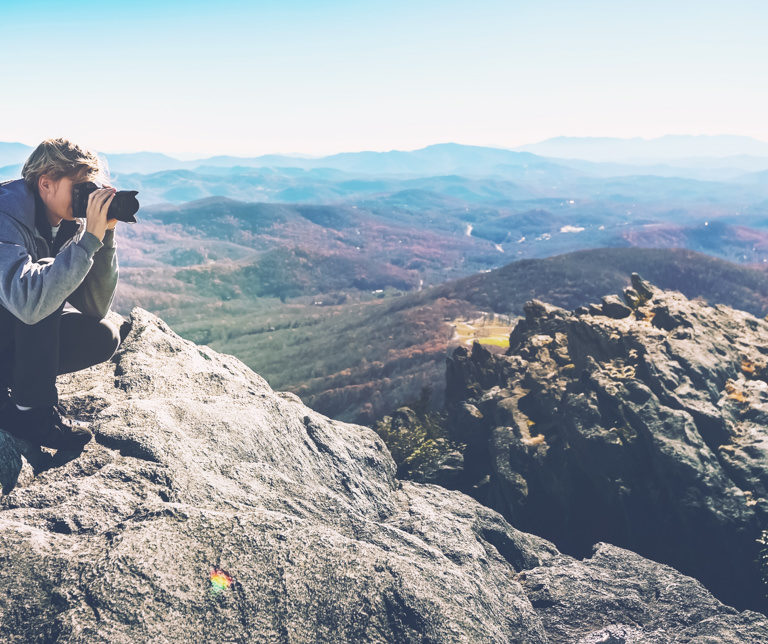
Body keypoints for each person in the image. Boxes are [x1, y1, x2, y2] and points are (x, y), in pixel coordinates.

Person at [0, 138, 122, 450]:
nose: (86, 197)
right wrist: (87, 242)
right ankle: (31, 414)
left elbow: (95, 306)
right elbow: (28, 302)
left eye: (90, 187)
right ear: (46, 185)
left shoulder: (65, 225)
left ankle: (17, 395)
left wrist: (102, 236)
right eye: (79, 187)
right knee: (42, 276)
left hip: (9, 342)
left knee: (103, 335)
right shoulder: (4, 215)